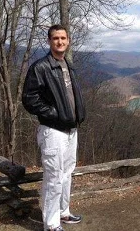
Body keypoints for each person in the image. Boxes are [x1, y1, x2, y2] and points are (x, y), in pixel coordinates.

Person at [22, 24, 86, 231]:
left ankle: (63, 212)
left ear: (68, 41)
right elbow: (29, 99)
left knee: (67, 172)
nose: (60, 42)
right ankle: (51, 223)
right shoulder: (40, 67)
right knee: (54, 176)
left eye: (63, 38)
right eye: (56, 38)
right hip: (53, 131)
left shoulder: (68, 65)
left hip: (71, 129)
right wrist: (54, 115)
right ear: (49, 41)